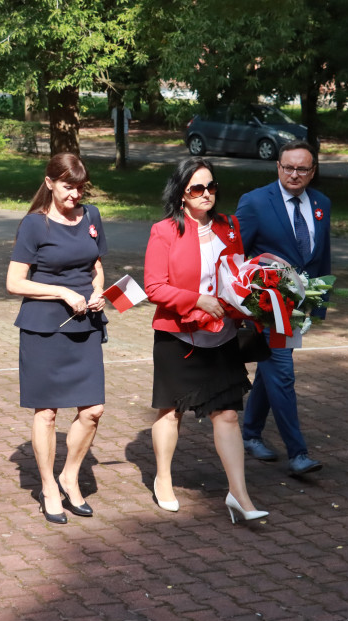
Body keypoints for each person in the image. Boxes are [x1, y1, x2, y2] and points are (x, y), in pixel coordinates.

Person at [143, 157, 268, 522]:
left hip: (222, 334)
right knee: (170, 412)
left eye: (212, 186)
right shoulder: (164, 231)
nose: (207, 194)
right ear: (182, 193)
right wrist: (197, 299)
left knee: (227, 414)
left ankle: (239, 495)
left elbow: (238, 274)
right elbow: (154, 287)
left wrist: (254, 297)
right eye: (198, 188)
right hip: (178, 336)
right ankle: (163, 479)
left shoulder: (230, 226)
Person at [5, 153, 107, 524]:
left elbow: (95, 265)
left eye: (80, 188)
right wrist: (62, 292)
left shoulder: (92, 216)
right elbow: (14, 282)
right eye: (68, 187)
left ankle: (70, 474)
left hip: (87, 325)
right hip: (45, 328)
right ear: (49, 183)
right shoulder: (35, 226)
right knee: (46, 413)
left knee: (92, 410)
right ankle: (49, 485)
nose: (75, 195)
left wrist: (98, 289)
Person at [236, 140, 331, 476]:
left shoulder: (321, 203)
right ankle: (298, 454)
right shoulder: (256, 202)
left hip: (296, 310)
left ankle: (249, 433)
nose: (294, 174)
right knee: (283, 373)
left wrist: (317, 306)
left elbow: (322, 256)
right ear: (278, 167)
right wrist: (240, 302)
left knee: (271, 371)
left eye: (302, 169)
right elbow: (234, 256)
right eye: (288, 167)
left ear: (312, 171)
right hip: (265, 308)